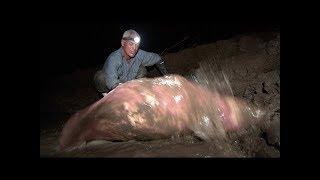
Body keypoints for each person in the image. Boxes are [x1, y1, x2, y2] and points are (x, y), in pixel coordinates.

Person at [94, 29, 169, 96]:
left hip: (128, 83)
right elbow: (112, 84)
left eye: (137, 45)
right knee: (100, 77)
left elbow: (158, 59)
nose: (134, 48)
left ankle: (137, 91)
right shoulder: (114, 58)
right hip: (113, 86)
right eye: (131, 44)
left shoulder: (139, 54)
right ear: (123, 43)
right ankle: (106, 98)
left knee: (142, 70)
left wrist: (168, 77)